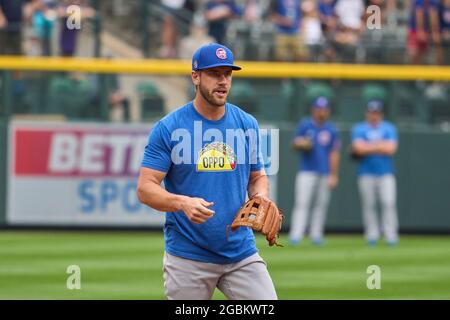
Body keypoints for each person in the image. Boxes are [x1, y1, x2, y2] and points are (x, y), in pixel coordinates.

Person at [136, 43, 278, 300]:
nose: (223, 81)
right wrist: (182, 202)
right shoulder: (169, 128)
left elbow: (257, 177)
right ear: (195, 76)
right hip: (189, 256)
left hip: (240, 252)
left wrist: (262, 198)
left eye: (228, 74)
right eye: (214, 73)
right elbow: (146, 189)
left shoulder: (247, 124)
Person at [288, 96, 340, 246]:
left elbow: (334, 153)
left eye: (324, 109)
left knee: (320, 205)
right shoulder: (305, 125)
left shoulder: (331, 129)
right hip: (307, 171)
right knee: (302, 203)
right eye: (319, 109)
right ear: (313, 110)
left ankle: (316, 235)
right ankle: (296, 234)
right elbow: (294, 143)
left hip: (324, 172)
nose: (321, 112)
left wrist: (334, 174)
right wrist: (302, 143)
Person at [350, 100, 399, 246]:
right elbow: (358, 148)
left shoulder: (389, 128)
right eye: (371, 112)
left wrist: (369, 146)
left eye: (376, 112)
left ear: (381, 114)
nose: (374, 115)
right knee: (369, 204)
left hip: (386, 172)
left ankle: (391, 235)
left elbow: (391, 149)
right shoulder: (359, 128)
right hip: (366, 172)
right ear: (367, 113)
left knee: (388, 203)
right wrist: (380, 145)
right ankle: (372, 234)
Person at [407, 0, 441, 65]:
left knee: (422, 54)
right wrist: (420, 31)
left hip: (426, 31)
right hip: (415, 30)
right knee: (414, 54)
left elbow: (434, 17)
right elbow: (419, 15)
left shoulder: (433, 2)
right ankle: (413, 73)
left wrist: (435, 32)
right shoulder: (418, 1)